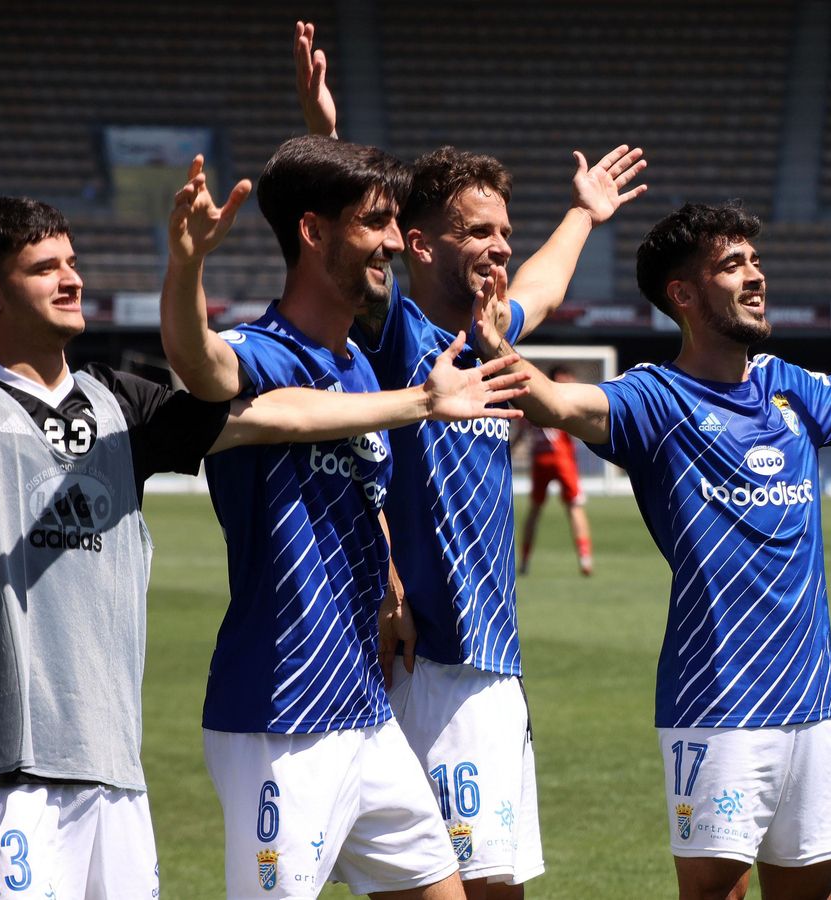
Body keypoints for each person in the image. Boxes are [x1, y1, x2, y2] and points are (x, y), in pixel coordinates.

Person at [0, 189, 519, 899]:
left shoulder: (118, 403)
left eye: (72, 261)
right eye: (45, 269)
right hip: (10, 773)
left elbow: (269, 416)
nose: (72, 279)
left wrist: (419, 403)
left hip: (116, 778)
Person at [466, 201, 831, 900]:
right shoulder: (657, 398)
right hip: (717, 701)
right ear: (682, 295)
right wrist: (495, 345)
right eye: (731, 265)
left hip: (814, 699)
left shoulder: (787, 385)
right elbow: (561, 407)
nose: (755, 276)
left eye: (755, 261)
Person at [292, 22, 645, 895]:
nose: (498, 245)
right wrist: (322, 130)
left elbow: (541, 288)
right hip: (432, 660)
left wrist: (582, 214)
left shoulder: (489, 338)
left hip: (492, 663)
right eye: (477, 231)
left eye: (504, 229)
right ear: (418, 244)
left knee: (492, 887)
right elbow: (352, 249)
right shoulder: (393, 334)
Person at [159, 138, 530, 900]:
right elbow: (201, 368)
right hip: (280, 712)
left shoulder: (359, 368)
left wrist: (391, 579)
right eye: (375, 223)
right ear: (313, 231)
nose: (395, 241)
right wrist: (188, 265)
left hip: (364, 709)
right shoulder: (260, 353)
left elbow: (368, 494)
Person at [518, 366, 596, 577]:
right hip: (559, 459)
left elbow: (522, 429)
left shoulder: (534, 401)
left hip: (545, 459)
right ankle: (584, 558)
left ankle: (526, 560)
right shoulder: (561, 399)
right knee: (573, 507)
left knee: (539, 509)